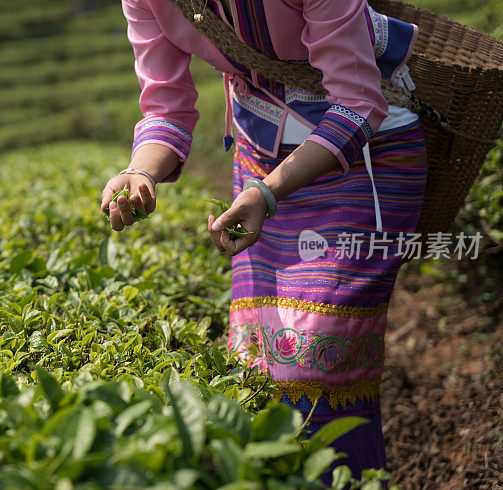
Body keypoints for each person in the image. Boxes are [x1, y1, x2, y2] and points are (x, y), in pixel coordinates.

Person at [100, 0, 428, 481]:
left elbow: (359, 102)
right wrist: (139, 171)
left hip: (364, 156)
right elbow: (165, 105)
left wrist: (266, 195)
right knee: (259, 362)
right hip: (260, 159)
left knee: (316, 361)